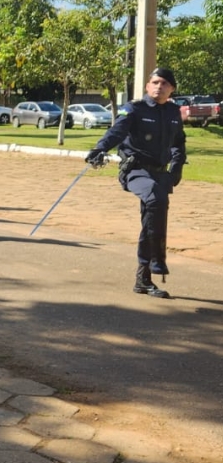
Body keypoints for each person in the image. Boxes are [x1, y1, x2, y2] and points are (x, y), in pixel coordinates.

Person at [86, 67, 186, 298]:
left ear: (172, 89)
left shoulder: (173, 112)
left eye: (164, 84)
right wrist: (100, 148)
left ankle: (143, 279)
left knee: (153, 216)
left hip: (161, 173)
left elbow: (178, 143)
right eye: (155, 82)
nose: (159, 87)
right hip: (136, 171)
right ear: (147, 86)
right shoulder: (134, 109)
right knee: (155, 198)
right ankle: (157, 260)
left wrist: (177, 167)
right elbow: (116, 132)